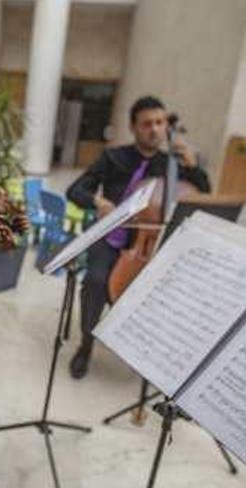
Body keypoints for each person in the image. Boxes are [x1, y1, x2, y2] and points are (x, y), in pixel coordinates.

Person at [65, 96, 211, 379]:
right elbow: (75, 190)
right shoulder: (113, 158)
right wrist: (99, 203)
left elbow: (203, 195)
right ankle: (86, 344)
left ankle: (142, 344)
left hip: (149, 244)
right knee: (95, 281)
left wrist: (193, 168)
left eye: (160, 123)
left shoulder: (173, 163)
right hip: (111, 236)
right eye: (147, 124)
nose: (155, 129)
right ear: (133, 127)